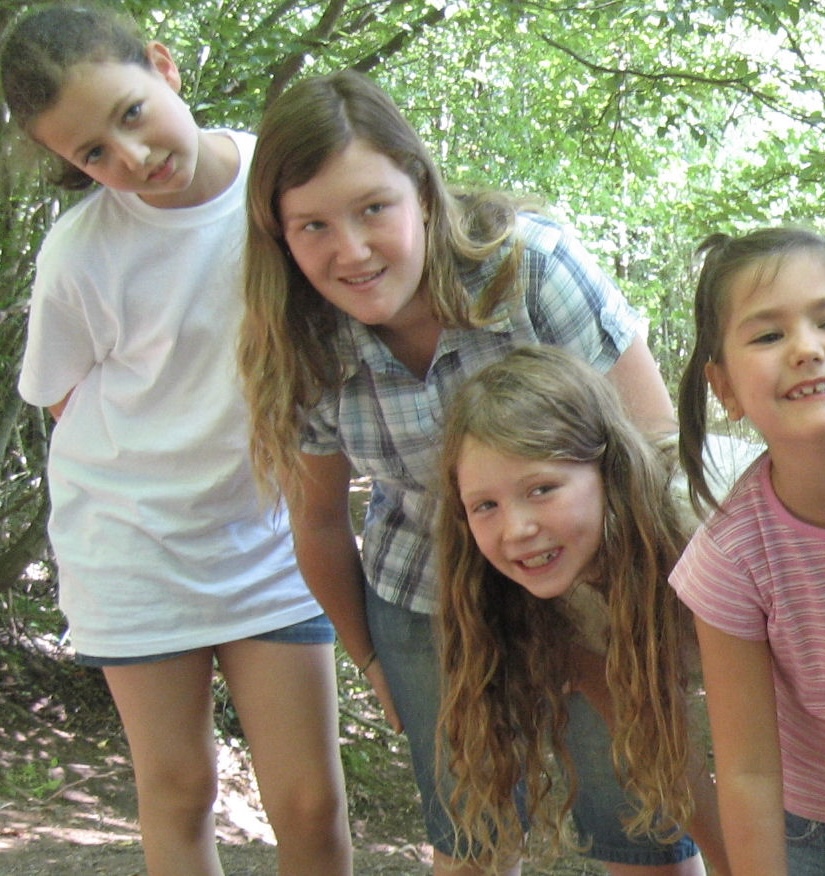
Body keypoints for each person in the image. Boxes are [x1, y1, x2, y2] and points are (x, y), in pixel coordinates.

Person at [240, 68, 715, 875]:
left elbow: (654, 446)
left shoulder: (527, 270)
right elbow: (318, 525)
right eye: (313, 225)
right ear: (280, 236)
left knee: (636, 825)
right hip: (432, 593)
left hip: (594, 583)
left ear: (422, 192)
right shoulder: (302, 340)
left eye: (373, 209)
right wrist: (374, 662)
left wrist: (645, 626)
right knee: (472, 837)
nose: (350, 250)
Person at [0, 6, 351, 875]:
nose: (131, 159)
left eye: (129, 114)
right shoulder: (81, 252)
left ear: (163, 68)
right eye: (92, 155)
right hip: (132, 551)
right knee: (180, 787)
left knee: (309, 799)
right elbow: (61, 398)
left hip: (271, 540)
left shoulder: (280, 190)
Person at [436, 345, 730, 874]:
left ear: (607, 470)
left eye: (542, 489)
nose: (517, 529)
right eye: (486, 505)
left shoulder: (707, 521)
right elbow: (656, 745)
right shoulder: (553, 582)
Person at [670, 227, 825, 875]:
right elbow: (750, 771)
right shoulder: (731, 557)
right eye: (767, 335)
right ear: (724, 387)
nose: (806, 349)